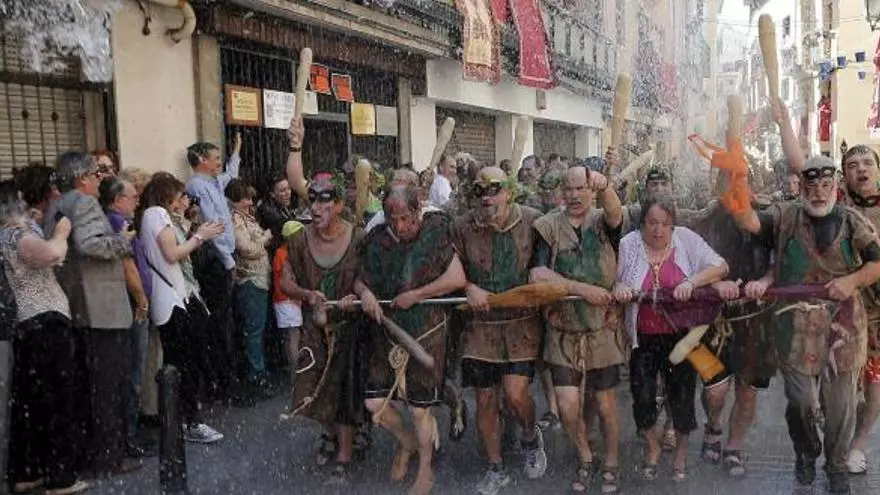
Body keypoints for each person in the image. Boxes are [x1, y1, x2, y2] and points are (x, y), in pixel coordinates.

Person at [723, 153, 880, 494]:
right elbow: (748, 220)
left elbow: (877, 263)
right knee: (801, 401)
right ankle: (806, 451)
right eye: (812, 186)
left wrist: (852, 281)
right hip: (794, 326)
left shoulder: (853, 221)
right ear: (803, 188)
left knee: (840, 407)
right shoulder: (785, 216)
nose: (819, 193)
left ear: (835, 186)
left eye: (825, 185)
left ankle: (836, 465)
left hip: (844, 328)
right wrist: (738, 181)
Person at [355, 184, 467, 495]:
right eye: (393, 219)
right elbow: (359, 280)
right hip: (388, 333)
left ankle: (426, 467)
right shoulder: (378, 239)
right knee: (374, 403)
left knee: (419, 409)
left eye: (405, 218)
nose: (400, 226)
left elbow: (457, 278)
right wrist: (365, 294)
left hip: (427, 331)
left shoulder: (435, 233)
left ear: (417, 211)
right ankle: (406, 443)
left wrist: (417, 295)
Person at [614, 194, 730, 482]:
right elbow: (615, 280)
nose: (658, 230)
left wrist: (691, 282)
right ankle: (653, 447)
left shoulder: (686, 239)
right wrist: (619, 288)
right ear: (642, 223)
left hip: (682, 336)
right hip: (643, 337)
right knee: (642, 398)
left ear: (673, 225)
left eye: (665, 224)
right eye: (652, 223)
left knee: (682, 397)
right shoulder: (628, 244)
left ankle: (680, 455)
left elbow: (721, 266)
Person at [451, 166, 547, 495]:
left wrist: (539, 275)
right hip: (480, 326)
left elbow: (547, 261)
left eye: (494, 189)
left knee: (516, 395)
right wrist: (467, 287)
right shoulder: (461, 227)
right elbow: (446, 267)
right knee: (485, 398)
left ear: (509, 192)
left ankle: (530, 435)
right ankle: (495, 467)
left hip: (521, 323)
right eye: (479, 190)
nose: (486, 197)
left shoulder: (533, 221)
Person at [529, 165, 625, 492]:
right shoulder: (547, 226)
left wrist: (606, 185)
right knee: (568, 406)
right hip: (563, 330)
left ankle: (611, 460)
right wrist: (583, 290)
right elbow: (538, 275)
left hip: (602, 329)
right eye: (568, 189)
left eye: (580, 188)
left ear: (591, 191)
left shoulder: (604, 222)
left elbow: (614, 212)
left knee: (605, 404)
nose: (573, 195)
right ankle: (584, 453)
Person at [43, 151, 139, 476]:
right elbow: (90, 244)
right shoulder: (83, 203)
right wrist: (121, 241)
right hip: (101, 309)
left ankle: (92, 453)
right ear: (82, 178)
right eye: (97, 174)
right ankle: (109, 456)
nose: (101, 180)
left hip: (78, 306)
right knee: (107, 387)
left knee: (90, 387)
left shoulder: (57, 204)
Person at [0, 181, 90, 495]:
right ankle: (60, 477)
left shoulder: (10, 236)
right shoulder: (15, 236)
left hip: (31, 326)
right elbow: (52, 254)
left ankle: (28, 471)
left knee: (32, 400)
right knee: (57, 399)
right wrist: (62, 232)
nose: (28, 207)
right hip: (45, 324)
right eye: (22, 203)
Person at [278, 173, 363, 480]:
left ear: (338, 205)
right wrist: (307, 295)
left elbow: (369, 278)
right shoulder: (299, 240)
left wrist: (357, 296)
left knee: (343, 392)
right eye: (311, 199)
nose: (315, 206)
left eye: (324, 200)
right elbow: (285, 282)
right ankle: (333, 434)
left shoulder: (358, 238)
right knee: (308, 390)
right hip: (314, 329)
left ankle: (345, 454)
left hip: (348, 329)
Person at [136, 173, 225, 444]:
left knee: (181, 361)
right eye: (178, 195)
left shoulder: (151, 216)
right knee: (184, 362)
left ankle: (182, 420)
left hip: (171, 297)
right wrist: (200, 236)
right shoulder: (156, 214)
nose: (182, 200)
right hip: (171, 299)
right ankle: (189, 421)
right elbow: (172, 254)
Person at [98, 177, 155, 457]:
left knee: (133, 371)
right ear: (118, 200)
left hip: (131, 305)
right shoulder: (119, 223)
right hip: (133, 306)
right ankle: (129, 437)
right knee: (133, 372)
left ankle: (129, 434)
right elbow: (127, 266)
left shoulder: (120, 222)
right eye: (133, 197)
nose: (137, 201)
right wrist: (141, 298)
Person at [185, 133, 243, 394]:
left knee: (226, 320)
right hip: (215, 260)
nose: (219, 162)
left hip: (223, 257)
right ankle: (223, 381)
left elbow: (230, 174)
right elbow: (212, 226)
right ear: (201, 160)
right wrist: (228, 261)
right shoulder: (198, 186)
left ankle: (227, 378)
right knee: (220, 322)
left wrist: (236, 151)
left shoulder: (213, 182)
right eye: (216, 158)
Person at [227, 178, 273, 396]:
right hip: (251, 280)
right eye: (245, 198)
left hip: (260, 279)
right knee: (253, 330)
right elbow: (246, 248)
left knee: (257, 329)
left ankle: (258, 372)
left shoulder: (247, 218)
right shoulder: (235, 220)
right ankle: (256, 375)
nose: (250, 202)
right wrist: (265, 238)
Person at [272, 221, 305, 390]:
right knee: (294, 336)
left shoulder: (280, 252)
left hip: (282, 300)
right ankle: (296, 376)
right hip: (288, 300)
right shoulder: (285, 254)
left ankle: (293, 374)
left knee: (288, 337)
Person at [257, 175, 295, 254]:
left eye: (289, 188)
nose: (288, 193)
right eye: (282, 191)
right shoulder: (269, 212)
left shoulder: (281, 204)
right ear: (272, 194)